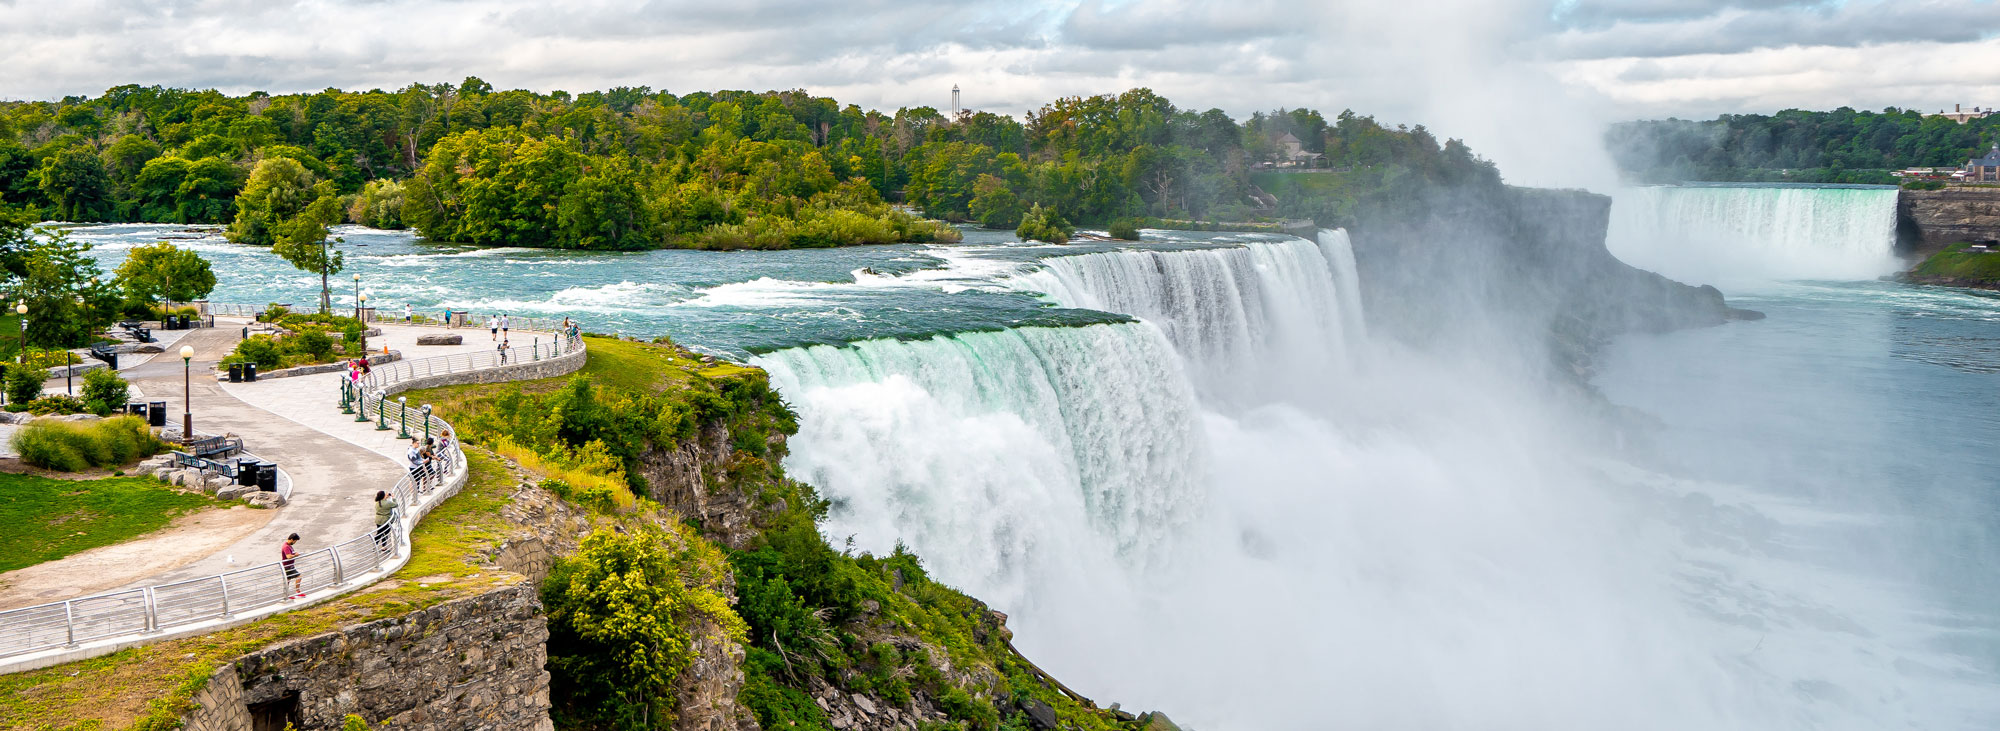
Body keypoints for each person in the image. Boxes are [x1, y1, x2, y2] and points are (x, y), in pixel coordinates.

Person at [373, 490, 398, 554]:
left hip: (378, 520)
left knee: (379, 532)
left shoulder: (377, 502)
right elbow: (396, 505)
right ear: (383, 496)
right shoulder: (387, 503)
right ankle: (383, 546)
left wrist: (385, 497)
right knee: (385, 533)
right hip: (386, 520)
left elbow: (384, 503)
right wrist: (393, 498)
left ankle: (375, 546)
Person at [281, 533, 303, 599]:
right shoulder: (286, 547)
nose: (295, 542)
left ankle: (286, 595)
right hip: (288, 566)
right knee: (299, 576)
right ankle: (297, 592)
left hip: (289, 566)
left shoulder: (289, 545)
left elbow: (291, 554)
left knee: (288, 580)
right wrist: (295, 555)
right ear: (291, 539)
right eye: (295, 541)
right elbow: (288, 556)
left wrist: (294, 553)